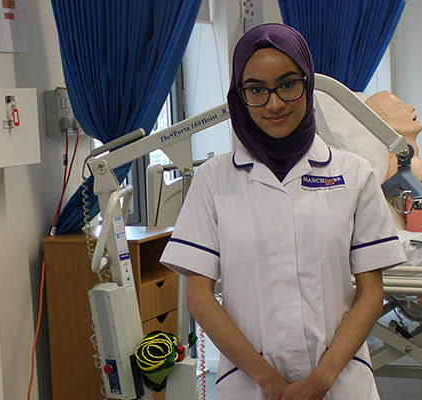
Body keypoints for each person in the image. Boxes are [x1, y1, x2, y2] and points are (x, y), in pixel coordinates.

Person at [159, 24, 405, 400]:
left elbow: (371, 293)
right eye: (256, 90)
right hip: (250, 384)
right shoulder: (213, 180)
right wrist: (268, 381)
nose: (274, 104)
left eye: (288, 84)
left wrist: (321, 380)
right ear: (239, 97)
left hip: (339, 382)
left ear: (307, 85)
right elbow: (200, 298)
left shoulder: (353, 174)